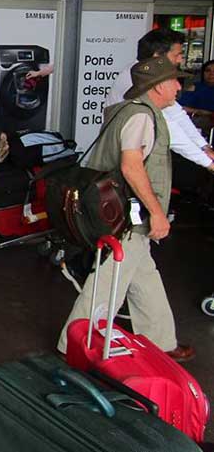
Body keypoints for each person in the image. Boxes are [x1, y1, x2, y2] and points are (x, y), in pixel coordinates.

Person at [57, 56, 196, 363]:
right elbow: (131, 167)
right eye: (175, 81)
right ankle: (74, 344)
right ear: (159, 86)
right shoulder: (142, 117)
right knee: (108, 280)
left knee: (144, 275)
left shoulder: (125, 111)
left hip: (118, 212)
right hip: (126, 217)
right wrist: (157, 213)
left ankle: (161, 339)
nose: (179, 87)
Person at [107, 28, 214, 173]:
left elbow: (176, 113)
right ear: (157, 56)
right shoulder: (137, 79)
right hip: (131, 161)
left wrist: (204, 146)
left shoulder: (150, 75)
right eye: (177, 55)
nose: (180, 59)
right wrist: (207, 162)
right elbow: (168, 126)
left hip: (146, 156)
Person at [178, 59, 214, 126]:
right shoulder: (195, 87)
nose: (211, 73)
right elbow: (180, 108)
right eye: (208, 70)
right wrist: (200, 112)